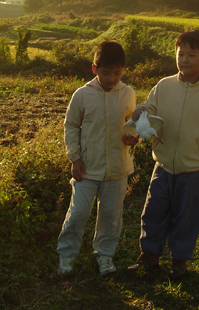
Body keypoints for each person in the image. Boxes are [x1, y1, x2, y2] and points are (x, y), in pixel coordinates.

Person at [129, 30, 199, 279]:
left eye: (192, 55)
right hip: (162, 165)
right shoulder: (164, 86)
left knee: (186, 217)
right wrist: (141, 109)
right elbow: (150, 107)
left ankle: (179, 261)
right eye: (181, 54)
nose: (185, 60)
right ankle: (149, 256)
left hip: (194, 170)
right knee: (153, 210)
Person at [57, 40, 137, 276]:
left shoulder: (128, 93)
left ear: (123, 70)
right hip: (87, 167)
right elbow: (71, 125)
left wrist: (134, 138)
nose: (112, 78)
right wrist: (75, 157)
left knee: (111, 216)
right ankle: (67, 256)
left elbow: (132, 124)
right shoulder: (82, 95)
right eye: (106, 73)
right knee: (78, 212)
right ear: (94, 69)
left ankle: (104, 255)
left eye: (117, 73)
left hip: (117, 167)